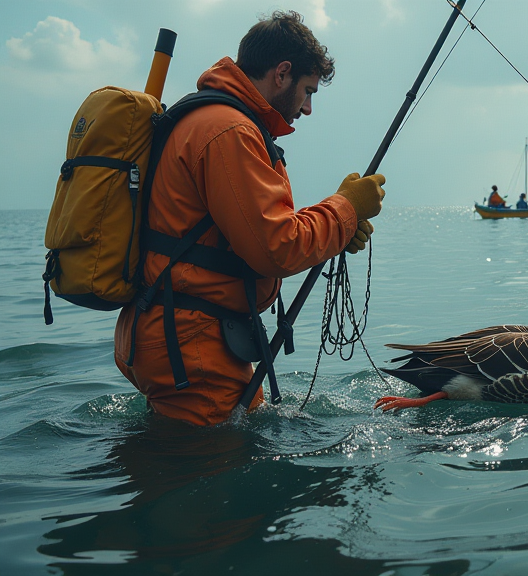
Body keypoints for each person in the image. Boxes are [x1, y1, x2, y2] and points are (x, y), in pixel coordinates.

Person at [113, 11, 386, 426]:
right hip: (192, 344)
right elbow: (275, 248)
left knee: (177, 456)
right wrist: (345, 209)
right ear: (282, 73)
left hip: (176, 333)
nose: (308, 108)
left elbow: (248, 230)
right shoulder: (230, 131)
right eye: (308, 91)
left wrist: (337, 227)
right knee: (203, 477)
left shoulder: (204, 118)